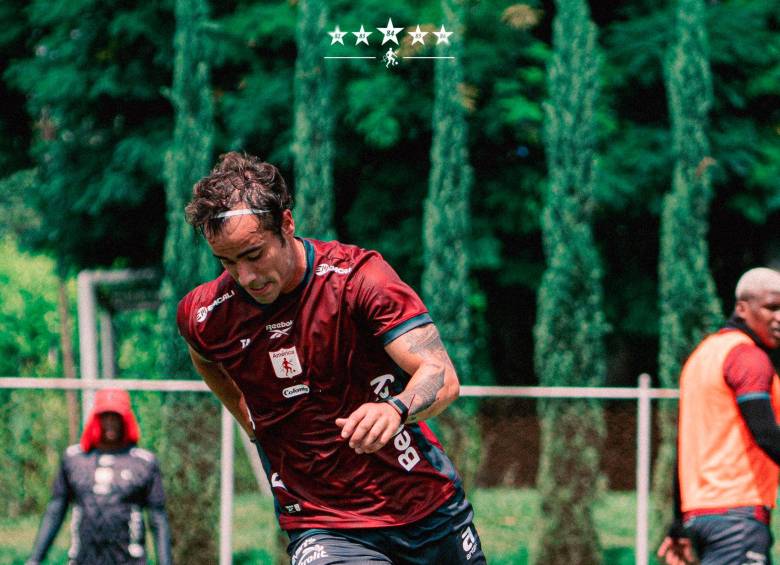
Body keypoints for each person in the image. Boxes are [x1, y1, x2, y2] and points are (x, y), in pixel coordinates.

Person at [176, 151, 486, 564]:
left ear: (286, 224)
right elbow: (204, 357)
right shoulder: (207, 315)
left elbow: (441, 377)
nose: (245, 276)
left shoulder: (360, 281)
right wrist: (248, 418)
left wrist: (395, 409)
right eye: (227, 262)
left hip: (424, 508)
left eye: (254, 254)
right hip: (322, 522)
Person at [658, 267, 780, 565]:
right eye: (771, 307)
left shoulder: (702, 356)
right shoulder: (748, 358)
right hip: (738, 519)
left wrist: (679, 526)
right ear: (741, 308)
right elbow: (765, 433)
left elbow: (685, 448)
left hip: (700, 516)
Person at [27, 388, 172, 565]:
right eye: (105, 416)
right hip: (83, 559)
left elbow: (158, 519)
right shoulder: (75, 459)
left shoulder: (143, 462)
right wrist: (35, 559)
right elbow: (55, 510)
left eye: (116, 416)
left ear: (125, 419)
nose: (110, 422)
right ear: (96, 419)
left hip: (128, 560)